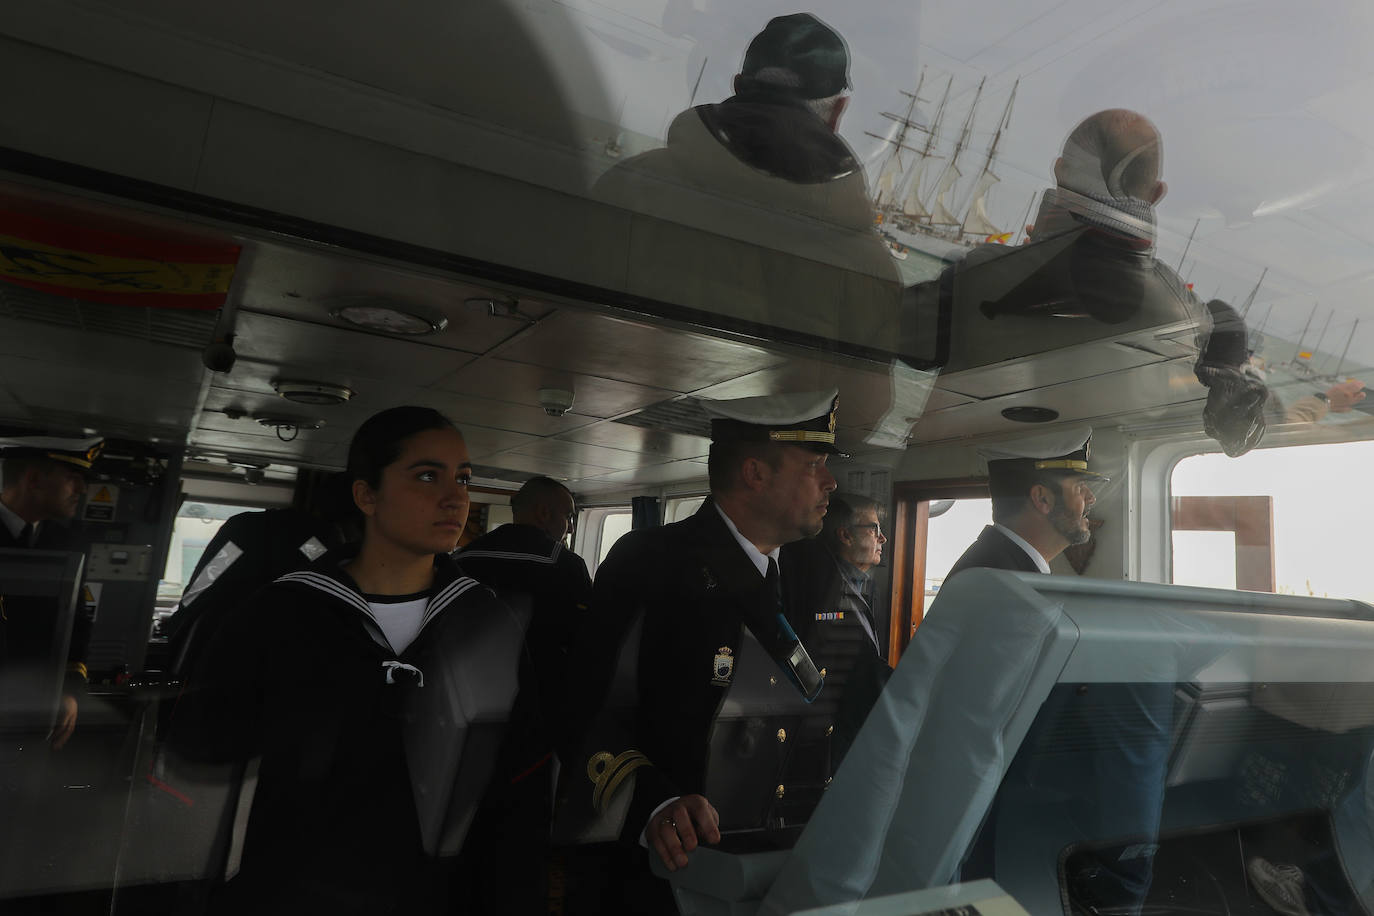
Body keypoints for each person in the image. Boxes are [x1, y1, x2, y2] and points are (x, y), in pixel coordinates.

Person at [170, 407, 544, 915]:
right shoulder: (281, 611)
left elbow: (518, 782)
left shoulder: (486, 620)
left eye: (464, 478)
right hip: (295, 891)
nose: (456, 497)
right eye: (428, 476)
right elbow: (199, 739)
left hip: (440, 893)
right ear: (367, 495)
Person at [558, 390, 841, 913]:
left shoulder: (814, 571)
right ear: (755, 473)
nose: (831, 482)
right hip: (661, 867)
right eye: (815, 465)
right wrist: (652, 804)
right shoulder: (652, 561)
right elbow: (587, 707)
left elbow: (835, 696)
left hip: (774, 861)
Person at [926, 109, 1268, 459]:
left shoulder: (976, 276)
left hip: (943, 459)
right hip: (1056, 464)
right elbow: (1222, 329)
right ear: (1156, 194)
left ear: (1059, 170)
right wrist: (1226, 367)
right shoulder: (1175, 312)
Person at [457, 474, 591, 722]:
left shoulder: (463, 558)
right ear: (543, 513)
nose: (571, 527)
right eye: (568, 516)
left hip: (464, 691)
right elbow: (584, 640)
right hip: (540, 699)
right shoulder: (567, 565)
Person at [0, 434, 104, 749]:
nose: (82, 490)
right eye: (73, 479)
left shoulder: (67, 542)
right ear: (33, 480)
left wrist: (69, 690)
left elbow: (76, 620)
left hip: (32, 711)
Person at [781, 492, 890, 761]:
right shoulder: (823, 588)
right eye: (874, 529)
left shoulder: (860, 586)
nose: (882, 538)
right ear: (846, 535)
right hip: (821, 736)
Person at [947, 429, 1105, 579]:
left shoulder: (1000, 566)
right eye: (1079, 488)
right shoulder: (996, 581)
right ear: (1042, 499)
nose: (1091, 498)